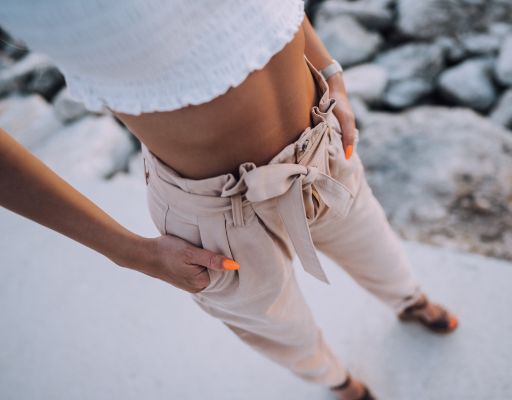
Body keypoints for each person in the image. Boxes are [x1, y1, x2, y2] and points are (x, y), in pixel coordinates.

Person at [0, 2, 458, 399]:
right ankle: (334, 379)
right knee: (280, 328)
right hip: (215, 213)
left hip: (321, 150)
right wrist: (129, 253)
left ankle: (409, 301)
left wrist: (332, 73)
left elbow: (271, 12)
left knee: (376, 246)